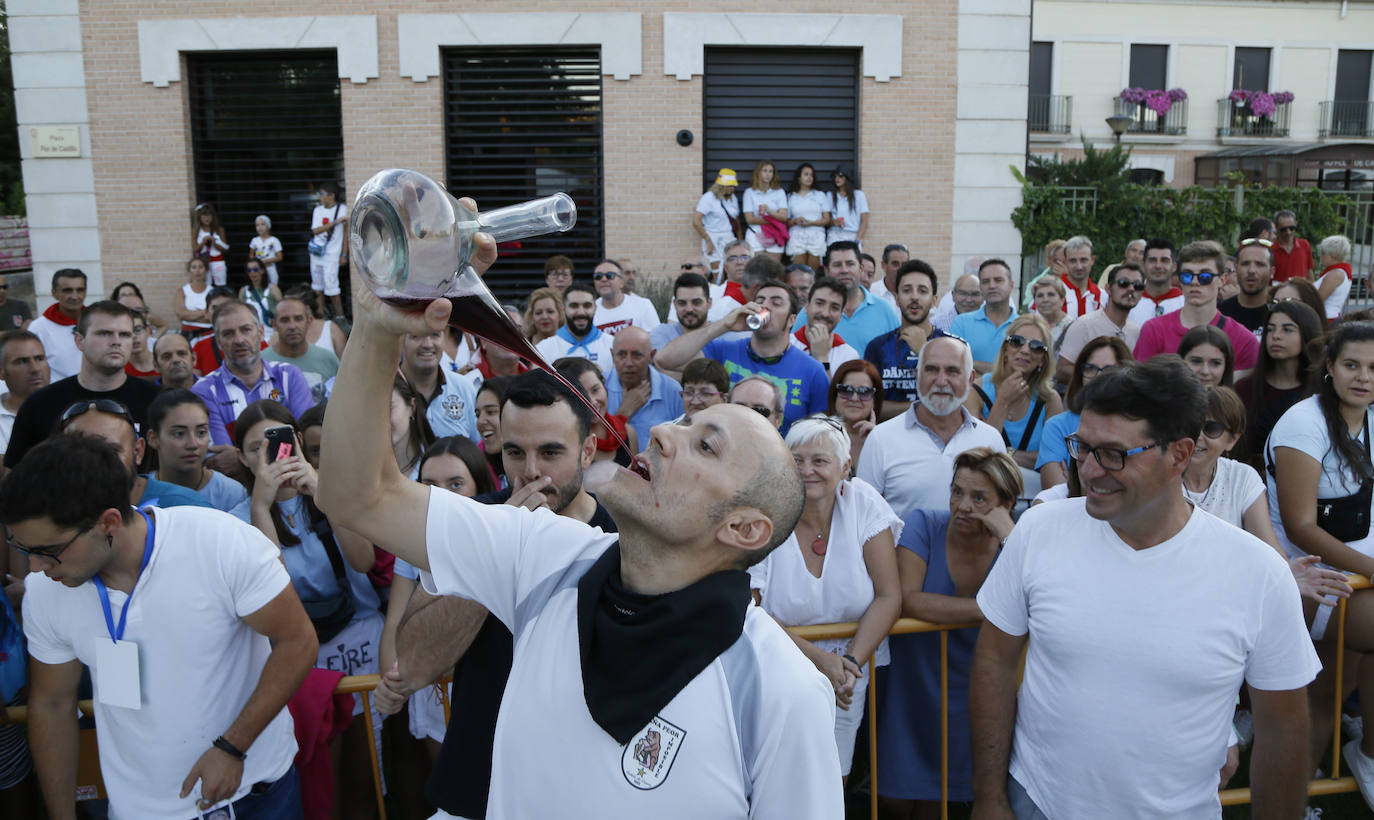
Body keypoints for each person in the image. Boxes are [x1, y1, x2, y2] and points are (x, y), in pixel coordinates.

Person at [972, 356, 1319, 819]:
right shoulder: (1038, 531)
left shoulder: (1258, 573)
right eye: (1083, 447)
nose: (1090, 470)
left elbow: (1283, 730)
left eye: (1114, 454)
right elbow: (994, 661)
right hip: (1037, 802)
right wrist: (990, 797)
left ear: (1178, 454)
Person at [9, 434, 315, 818]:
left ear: (109, 522)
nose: (36, 569)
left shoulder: (220, 542)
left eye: (48, 552)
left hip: (256, 797)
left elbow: (298, 641)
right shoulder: (46, 590)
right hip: (139, 810)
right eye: (25, 549)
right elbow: (53, 704)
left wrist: (232, 747)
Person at [371, 369, 621, 820]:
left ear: (587, 450)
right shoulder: (475, 522)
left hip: (583, 789)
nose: (530, 471)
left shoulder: (624, 543)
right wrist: (499, 545)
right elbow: (415, 663)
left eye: (550, 452)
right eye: (513, 452)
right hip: (479, 786)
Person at [234, 400, 382, 816]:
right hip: (302, 657)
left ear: (296, 441)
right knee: (324, 772)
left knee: (370, 769)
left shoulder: (331, 492)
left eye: (278, 441)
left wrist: (321, 491)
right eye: (255, 448)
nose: (269, 454)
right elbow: (274, 592)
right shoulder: (235, 518)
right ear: (243, 458)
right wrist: (262, 507)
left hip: (360, 640)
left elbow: (363, 561)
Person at [749, 416, 900, 780]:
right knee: (773, 780)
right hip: (774, 669)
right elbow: (751, 611)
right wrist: (821, 662)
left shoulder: (863, 502)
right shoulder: (764, 510)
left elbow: (889, 595)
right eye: (796, 460)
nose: (807, 470)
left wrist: (848, 665)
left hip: (847, 676)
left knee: (834, 779)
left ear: (846, 467)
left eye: (819, 461)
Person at [877, 447, 1020, 816]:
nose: (963, 506)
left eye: (979, 498)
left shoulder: (1019, 542)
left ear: (1006, 504)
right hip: (915, 683)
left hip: (979, 685)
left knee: (948, 802)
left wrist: (1010, 537)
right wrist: (989, 610)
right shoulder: (925, 523)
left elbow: (1031, 596)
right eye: (957, 492)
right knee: (895, 797)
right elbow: (909, 600)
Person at [1263, 322, 1374, 793]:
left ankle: (1350, 761)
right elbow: (1301, 527)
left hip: (1356, 579)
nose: (1363, 377)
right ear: (1329, 368)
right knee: (1320, 694)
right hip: (1309, 583)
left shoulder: (1370, 419)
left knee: (1325, 697)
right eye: (1352, 365)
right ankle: (1366, 756)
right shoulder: (1302, 424)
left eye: (1373, 368)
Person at [857, 336, 1005, 519]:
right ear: (917, 374)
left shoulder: (990, 440)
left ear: (970, 379)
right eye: (932, 370)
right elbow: (863, 519)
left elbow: (1000, 514)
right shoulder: (881, 439)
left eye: (952, 371)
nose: (941, 381)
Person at [657, 279, 829, 434]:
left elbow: (823, 431)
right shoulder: (724, 350)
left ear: (791, 320)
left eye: (776, 303)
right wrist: (724, 325)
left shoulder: (812, 371)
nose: (765, 307)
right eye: (760, 301)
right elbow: (665, 359)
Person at [5, 301, 160, 469]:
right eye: (104, 333)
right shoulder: (40, 404)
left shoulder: (158, 401)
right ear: (79, 341)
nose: (116, 342)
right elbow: (15, 476)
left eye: (124, 334)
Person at [191, 300, 313, 454]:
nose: (239, 340)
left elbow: (305, 439)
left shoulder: (289, 376)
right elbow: (222, 457)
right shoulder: (205, 391)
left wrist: (241, 457)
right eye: (228, 333)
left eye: (246, 329)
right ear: (219, 342)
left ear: (261, 332)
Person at [969, 314, 1063, 498]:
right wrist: (1002, 401)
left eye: (1036, 347)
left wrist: (1005, 453)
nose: (1025, 350)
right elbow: (977, 454)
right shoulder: (976, 391)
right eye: (1017, 341)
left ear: (1043, 359)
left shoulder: (1050, 400)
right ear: (1005, 349)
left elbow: (1053, 460)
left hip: (1032, 497)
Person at [60, 398, 211, 510]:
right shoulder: (47, 510)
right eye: (77, 451)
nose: (93, 462)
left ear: (138, 451)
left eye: (111, 451)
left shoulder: (185, 508)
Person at [1133, 240, 1259, 370]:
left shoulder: (1244, 340)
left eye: (1205, 276)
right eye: (1187, 276)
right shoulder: (1153, 330)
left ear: (1222, 280)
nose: (1194, 282)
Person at [1234, 299, 1322, 467]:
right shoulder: (1244, 389)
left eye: (1287, 329)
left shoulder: (1323, 390)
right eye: (1270, 329)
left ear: (1307, 334)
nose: (1276, 336)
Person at [1037, 336, 1133, 490]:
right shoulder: (1057, 426)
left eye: (1109, 370)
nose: (1098, 376)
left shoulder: (1137, 425)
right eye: (1090, 368)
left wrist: (1074, 483)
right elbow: (1054, 493)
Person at [145, 389, 250, 518]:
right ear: (153, 438)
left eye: (201, 432)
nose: (193, 444)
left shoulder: (232, 494)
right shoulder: (139, 492)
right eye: (179, 434)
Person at [864, 259, 941, 421]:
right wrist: (922, 406)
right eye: (907, 290)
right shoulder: (877, 347)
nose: (914, 297)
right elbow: (867, 406)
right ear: (897, 299)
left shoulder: (951, 346)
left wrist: (924, 351)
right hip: (888, 440)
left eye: (922, 291)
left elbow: (956, 404)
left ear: (934, 301)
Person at [793, 241, 899, 356]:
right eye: (837, 265)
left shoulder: (885, 311)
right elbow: (793, 355)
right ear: (827, 271)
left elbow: (897, 356)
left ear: (861, 269)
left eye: (850, 264)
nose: (844, 270)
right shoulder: (810, 313)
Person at [1054, 262, 1143, 386]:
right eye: (1123, 283)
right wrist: (1097, 377)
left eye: (1138, 285)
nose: (1131, 289)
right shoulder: (1084, 325)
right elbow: (1062, 371)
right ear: (1108, 289)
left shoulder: (1136, 331)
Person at [399, 329, 480, 443]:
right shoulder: (385, 391)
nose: (428, 344)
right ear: (401, 341)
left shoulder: (463, 388)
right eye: (417, 336)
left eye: (435, 335)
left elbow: (479, 449)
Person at [606, 326, 683, 446]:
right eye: (621, 355)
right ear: (612, 355)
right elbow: (595, 444)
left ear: (651, 356)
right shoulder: (599, 386)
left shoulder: (672, 390)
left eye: (637, 355)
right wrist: (625, 411)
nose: (629, 363)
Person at [556, 355, 639, 465]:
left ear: (604, 386)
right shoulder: (559, 443)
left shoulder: (627, 432)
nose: (592, 402)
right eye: (581, 395)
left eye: (595, 390)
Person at [263, 296, 339, 404]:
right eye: (285, 320)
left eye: (298, 319)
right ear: (274, 325)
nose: (292, 326)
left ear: (309, 321)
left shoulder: (328, 359)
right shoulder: (262, 362)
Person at [949, 259, 1018, 372]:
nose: (992, 285)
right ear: (980, 287)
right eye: (985, 281)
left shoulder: (1023, 325)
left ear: (1011, 285)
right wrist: (1003, 370)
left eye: (998, 280)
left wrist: (975, 365)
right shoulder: (961, 323)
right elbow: (954, 366)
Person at [535, 281, 614, 374]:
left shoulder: (612, 344)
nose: (581, 312)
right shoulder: (544, 349)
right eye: (574, 306)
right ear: (564, 309)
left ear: (595, 308)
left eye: (587, 306)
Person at [791, 277, 861, 374]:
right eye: (819, 303)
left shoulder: (849, 356)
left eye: (834, 308)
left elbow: (830, 390)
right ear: (807, 307)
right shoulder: (786, 344)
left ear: (841, 315)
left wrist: (822, 358)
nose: (825, 313)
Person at [27, 268, 86, 382]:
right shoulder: (38, 329)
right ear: (54, 294)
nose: (75, 296)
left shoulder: (97, 322)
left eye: (80, 290)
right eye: (67, 290)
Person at [0, 330, 48, 459]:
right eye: (22, 361)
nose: (35, 368)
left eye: (39, 359)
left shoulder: (71, 407)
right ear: (1, 372)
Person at [827, 359, 883, 470]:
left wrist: (875, 441)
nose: (854, 398)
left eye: (864, 392)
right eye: (846, 390)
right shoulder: (816, 435)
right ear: (835, 395)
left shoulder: (886, 440)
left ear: (875, 400)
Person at [309, 182, 349, 319]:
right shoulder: (318, 210)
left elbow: (346, 234)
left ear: (332, 195)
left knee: (332, 286)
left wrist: (344, 254)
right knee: (317, 286)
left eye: (322, 194)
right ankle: (320, 316)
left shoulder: (342, 209)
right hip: (317, 253)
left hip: (332, 254)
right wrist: (334, 223)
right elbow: (315, 231)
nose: (320, 197)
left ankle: (340, 317)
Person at [693, 168, 742, 277]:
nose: (732, 188)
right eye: (729, 185)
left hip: (729, 238)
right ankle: (716, 293)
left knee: (732, 271)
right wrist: (708, 240)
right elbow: (696, 221)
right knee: (718, 273)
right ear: (720, 185)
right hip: (713, 237)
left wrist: (740, 241)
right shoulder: (708, 198)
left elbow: (736, 220)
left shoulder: (732, 198)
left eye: (733, 186)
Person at [1218, 238, 1274, 332]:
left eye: (1259, 264)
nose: (1251, 270)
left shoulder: (1278, 313)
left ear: (1272, 272)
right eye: (1245, 264)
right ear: (1236, 269)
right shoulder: (1219, 314)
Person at [593, 259, 660, 335]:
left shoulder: (643, 305)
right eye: (598, 276)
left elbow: (656, 340)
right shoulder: (589, 311)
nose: (603, 279)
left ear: (621, 281)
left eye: (610, 275)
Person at [1126, 238, 1184, 326]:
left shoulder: (1185, 304)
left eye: (1164, 260)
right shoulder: (1128, 302)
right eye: (1152, 260)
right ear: (1144, 264)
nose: (1158, 266)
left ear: (1174, 266)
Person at [785, 162, 831, 272]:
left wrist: (811, 223)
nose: (809, 177)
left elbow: (827, 219)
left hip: (816, 235)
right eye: (806, 174)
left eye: (811, 175)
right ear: (799, 178)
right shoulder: (791, 197)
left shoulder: (820, 195)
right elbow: (786, 222)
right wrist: (795, 221)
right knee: (798, 271)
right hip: (797, 235)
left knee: (812, 273)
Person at [651, 272, 713, 353]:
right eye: (682, 303)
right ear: (675, 304)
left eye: (696, 302)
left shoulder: (725, 336)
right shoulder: (662, 334)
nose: (689, 309)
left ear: (709, 303)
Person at [189, 287, 242, 376]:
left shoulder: (255, 341)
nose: (220, 312)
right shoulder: (198, 347)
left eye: (226, 307)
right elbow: (195, 385)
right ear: (206, 313)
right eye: (215, 308)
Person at [742, 159, 789, 258]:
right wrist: (774, 219)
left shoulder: (779, 192)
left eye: (770, 171)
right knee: (757, 269)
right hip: (755, 234)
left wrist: (769, 212)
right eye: (765, 171)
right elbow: (750, 219)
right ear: (758, 173)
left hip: (775, 233)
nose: (768, 174)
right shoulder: (749, 192)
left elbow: (784, 217)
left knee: (773, 268)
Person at [473, 376, 510, 488]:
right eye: (477, 415)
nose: (480, 421)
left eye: (491, 412)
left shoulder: (537, 464)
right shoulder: (473, 465)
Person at [1059, 235, 1104, 318]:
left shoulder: (1102, 296)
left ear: (1092, 260)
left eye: (1083, 260)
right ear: (1065, 261)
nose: (1079, 266)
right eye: (1073, 261)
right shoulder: (1051, 293)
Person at [825, 166, 869, 248]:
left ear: (847, 177)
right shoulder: (830, 195)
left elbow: (865, 221)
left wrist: (858, 239)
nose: (837, 179)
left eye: (840, 176)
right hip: (834, 235)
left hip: (852, 235)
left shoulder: (859, 195)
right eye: (835, 176)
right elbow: (826, 219)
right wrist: (833, 222)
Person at [1316, 234, 1354, 321]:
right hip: (1327, 317)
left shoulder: (1335, 274)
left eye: (1323, 253)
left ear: (1332, 255)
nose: (1321, 256)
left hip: (1325, 319)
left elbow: (1317, 300)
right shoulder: (1340, 272)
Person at [239, 258, 282, 336]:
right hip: (250, 334)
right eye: (249, 270)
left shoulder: (273, 289)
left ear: (262, 270)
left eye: (255, 269)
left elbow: (282, 311)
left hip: (270, 333)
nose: (252, 273)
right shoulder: (243, 291)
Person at [120, 297, 158, 382]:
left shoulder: (163, 360)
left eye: (138, 330)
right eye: (126, 333)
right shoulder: (118, 368)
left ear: (148, 331)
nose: (133, 336)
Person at [192, 202, 230, 286]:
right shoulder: (197, 230)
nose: (207, 218)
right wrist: (203, 242)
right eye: (204, 216)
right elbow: (195, 249)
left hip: (218, 260)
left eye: (209, 215)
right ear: (200, 217)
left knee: (220, 285)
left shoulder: (219, 229)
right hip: (204, 262)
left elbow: (226, 249)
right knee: (206, 285)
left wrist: (215, 244)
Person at [1029, 276, 1070, 353]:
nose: (1045, 300)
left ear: (1062, 299)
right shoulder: (1031, 326)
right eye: (1040, 296)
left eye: (1051, 294)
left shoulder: (1073, 327)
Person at [1272, 209, 1314, 284]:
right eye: (1283, 229)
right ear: (1276, 227)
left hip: (1301, 292)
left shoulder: (1304, 245)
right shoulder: (1270, 249)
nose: (1288, 232)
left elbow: (1309, 273)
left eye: (1292, 228)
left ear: (1296, 224)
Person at [867, 243, 910, 311]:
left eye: (904, 265)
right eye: (895, 264)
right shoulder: (870, 293)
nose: (900, 269)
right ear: (884, 265)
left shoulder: (913, 295)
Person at [248, 214, 283, 286]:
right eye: (257, 225)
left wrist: (266, 261)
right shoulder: (254, 240)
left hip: (270, 268)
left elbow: (279, 257)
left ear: (268, 226)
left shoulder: (274, 240)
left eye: (263, 224)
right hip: (258, 269)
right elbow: (251, 254)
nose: (260, 227)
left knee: (272, 287)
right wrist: (256, 263)